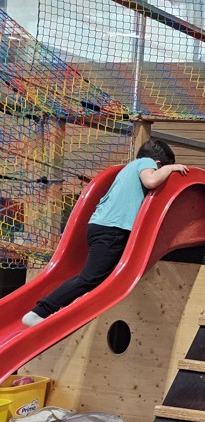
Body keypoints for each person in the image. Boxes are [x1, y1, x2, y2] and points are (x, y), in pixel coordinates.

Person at [21, 138, 189, 327]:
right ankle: (41, 311)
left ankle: (56, 309)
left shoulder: (128, 169)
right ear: (158, 163)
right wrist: (170, 169)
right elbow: (151, 181)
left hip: (102, 226)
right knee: (89, 279)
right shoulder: (147, 163)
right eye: (162, 168)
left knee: (99, 277)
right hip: (112, 229)